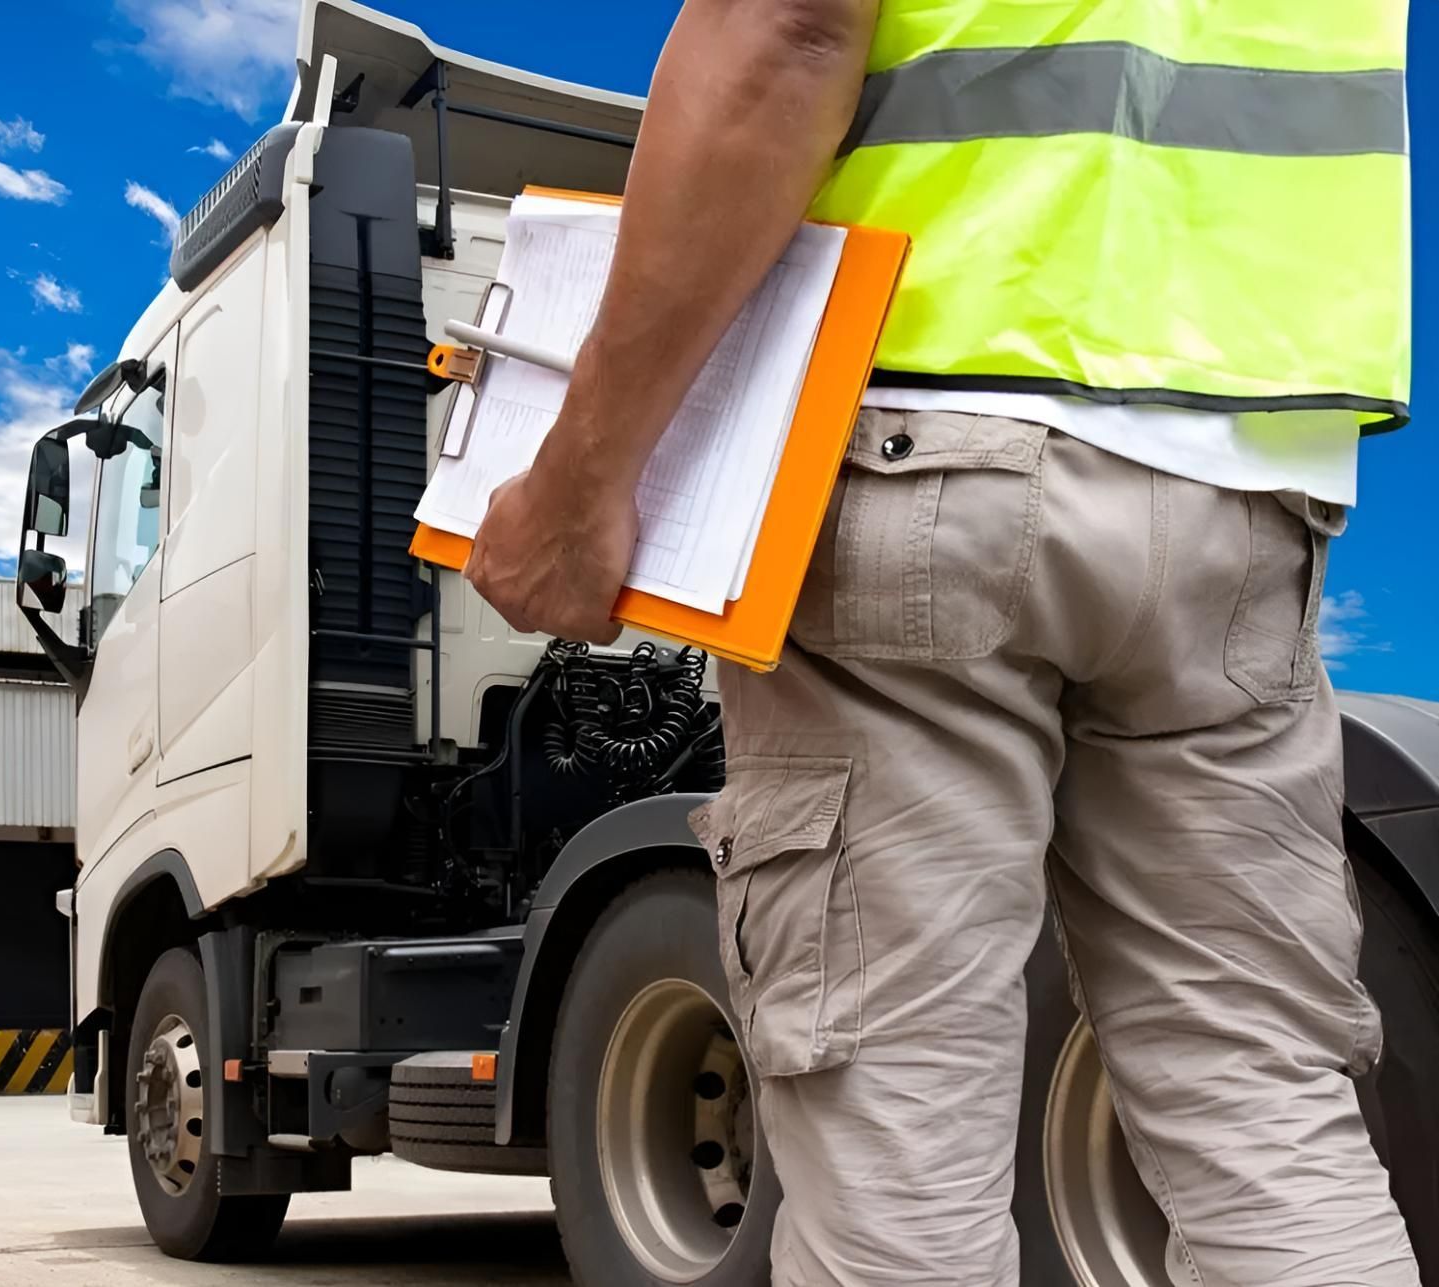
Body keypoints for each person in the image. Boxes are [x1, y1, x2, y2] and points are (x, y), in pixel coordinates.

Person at [466, 1, 1420, 1282]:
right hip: (1239, 481)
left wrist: (581, 481)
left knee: (893, 1131)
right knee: (1257, 1103)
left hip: (930, 426)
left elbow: (788, 27)